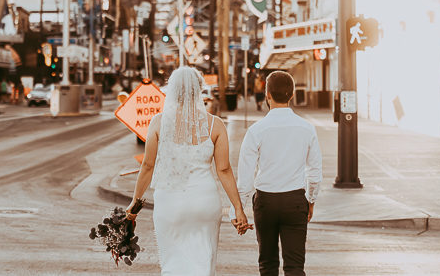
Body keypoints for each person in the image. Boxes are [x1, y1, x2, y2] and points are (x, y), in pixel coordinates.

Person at [126, 66, 251, 275]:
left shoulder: (158, 123)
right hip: (205, 202)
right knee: (204, 262)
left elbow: (148, 166)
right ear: (199, 90)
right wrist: (238, 207)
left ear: (172, 91)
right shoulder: (215, 125)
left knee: (173, 263)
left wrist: (135, 202)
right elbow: (224, 169)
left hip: (169, 203)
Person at [230, 71, 322, 276]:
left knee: (268, 265)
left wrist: (237, 211)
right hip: (295, 201)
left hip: (265, 202)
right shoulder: (307, 128)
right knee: (295, 267)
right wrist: (311, 201)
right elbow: (315, 173)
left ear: (267, 94)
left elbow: (245, 177)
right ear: (292, 95)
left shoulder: (256, 130)